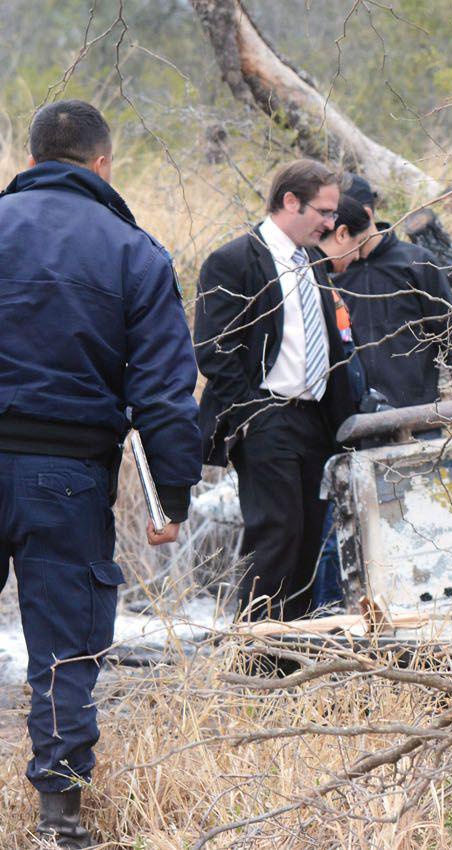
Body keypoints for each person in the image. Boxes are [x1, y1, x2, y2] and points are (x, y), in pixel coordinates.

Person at [0, 100, 200, 847]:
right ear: (102, 163)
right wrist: (170, 495)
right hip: (69, 475)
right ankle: (59, 822)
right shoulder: (132, 251)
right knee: (67, 650)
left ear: (30, 161)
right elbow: (163, 393)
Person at [195, 159, 363, 623]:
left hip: (315, 419)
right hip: (267, 415)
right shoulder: (233, 261)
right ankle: (252, 657)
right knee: (277, 534)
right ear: (291, 201)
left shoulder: (312, 261)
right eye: (324, 211)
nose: (332, 223)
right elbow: (214, 351)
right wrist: (254, 416)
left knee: (309, 536)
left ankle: (292, 661)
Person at [319, 193, 452, 408]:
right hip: (358, 416)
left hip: (419, 412)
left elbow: (451, 333)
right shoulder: (331, 273)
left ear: (366, 214)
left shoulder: (416, 261)